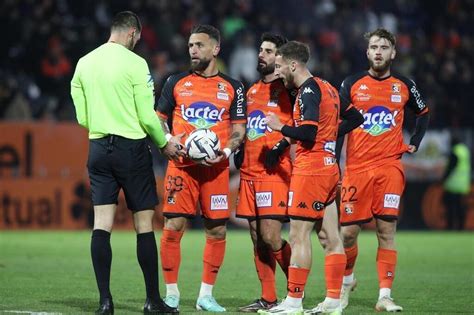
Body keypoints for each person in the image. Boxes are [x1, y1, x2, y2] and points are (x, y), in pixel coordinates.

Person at [70, 11, 182, 315]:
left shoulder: (84, 63)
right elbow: (147, 116)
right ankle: (152, 301)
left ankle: (105, 302)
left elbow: (82, 116)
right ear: (132, 33)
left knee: (101, 225)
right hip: (130, 149)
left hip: (97, 148)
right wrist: (164, 143)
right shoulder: (135, 63)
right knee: (143, 224)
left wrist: (101, 125)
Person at [337, 28, 430, 312]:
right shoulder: (351, 83)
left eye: (384, 47)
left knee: (386, 230)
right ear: (367, 52)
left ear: (393, 53)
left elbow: (422, 112)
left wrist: (414, 142)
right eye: (374, 47)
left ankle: (385, 296)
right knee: (348, 234)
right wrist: (333, 156)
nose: (378, 51)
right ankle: (347, 281)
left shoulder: (404, 84)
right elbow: (339, 122)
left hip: (389, 166)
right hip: (356, 168)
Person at [156, 24, 247, 312]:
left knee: (217, 230)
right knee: (173, 227)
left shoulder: (233, 87)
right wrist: (169, 140)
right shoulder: (175, 82)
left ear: (215, 49)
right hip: (182, 166)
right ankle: (171, 294)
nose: (193, 49)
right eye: (191, 45)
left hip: (215, 169)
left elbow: (239, 130)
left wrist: (225, 151)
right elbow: (159, 119)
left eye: (199, 45)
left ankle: (205, 296)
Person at [262, 40, 350, 315]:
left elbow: (309, 133)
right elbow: (355, 117)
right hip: (329, 168)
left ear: (293, 65)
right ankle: (334, 301)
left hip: (311, 169)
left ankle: (294, 301)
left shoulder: (308, 90)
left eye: (279, 67)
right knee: (330, 236)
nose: (277, 73)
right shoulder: (329, 88)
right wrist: (329, 137)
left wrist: (280, 127)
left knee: (299, 235)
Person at [233, 32, 294, 313]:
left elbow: (302, 126)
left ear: (280, 57)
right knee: (257, 237)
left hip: (274, 172)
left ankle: (295, 292)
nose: (261, 55)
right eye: (260, 49)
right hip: (249, 173)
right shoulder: (252, 91)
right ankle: (268, 298)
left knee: (271, 236)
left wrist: (282, 145)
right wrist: (239, 147)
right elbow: (247, 127)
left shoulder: (290, 92)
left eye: (268, 51)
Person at [442, 136, 471, 230]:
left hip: (453, 184)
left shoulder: (455, 152)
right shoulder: (465, 150)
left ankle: (450, 226)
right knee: (460, 206)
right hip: (463, 184)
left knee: (451, 207)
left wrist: (443, 178)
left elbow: (451, 167)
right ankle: (461, 226)